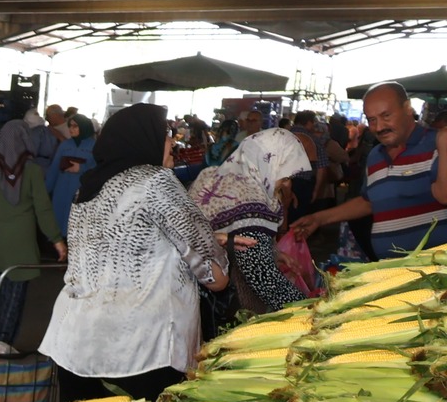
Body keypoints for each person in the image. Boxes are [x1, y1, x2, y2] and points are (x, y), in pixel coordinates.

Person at [39, 103, 228, 402]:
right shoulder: (156, 182)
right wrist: (217, 247)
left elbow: (123, 243)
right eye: (166, 133)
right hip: (140, 353)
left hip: (75, 348)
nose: (172, 142)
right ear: (143, 139)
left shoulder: (87, 188)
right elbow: (215, 276)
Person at [293, 83, 447, 258]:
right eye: (372, 120)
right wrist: (319, 219)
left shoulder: (439, 145)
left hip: (433, 275)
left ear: (407, 108)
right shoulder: (376, 155)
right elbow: (369, 202)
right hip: (389, 273)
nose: (379, 127)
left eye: (386, 115)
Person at [189, 127, 313, 314]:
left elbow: (231, 239)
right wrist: (307, 309)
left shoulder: (220, 177)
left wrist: (273, 252)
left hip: (197, 296)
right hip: (233, 308)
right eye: (285, 175)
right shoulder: (250, 200)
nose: (287, 184)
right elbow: (263, 278)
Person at [0, 118, 65, 347]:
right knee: (13, 298)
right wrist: (56, 240)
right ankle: (2, 347)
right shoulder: (32, 171)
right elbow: (43, 208)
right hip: (19, 246)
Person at [47, 112, 95, 233]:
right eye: (70, 126)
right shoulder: (65, 145)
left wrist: (82, 168)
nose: (71, 129)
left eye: (75, 126)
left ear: (84, 127)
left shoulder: (94, 146)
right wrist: (46, 191)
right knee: (58, 222)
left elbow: (98, 168)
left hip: (81, 192)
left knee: (76, 226)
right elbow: (54, 170)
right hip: (61, 190)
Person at [27, 104, 65, 175]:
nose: (46, 118)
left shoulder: (68, 130)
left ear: (55, 115)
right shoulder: (47, 130)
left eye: (48, 115)